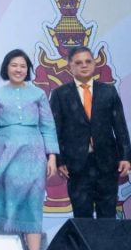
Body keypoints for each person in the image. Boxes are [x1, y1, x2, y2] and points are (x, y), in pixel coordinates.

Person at [0, 49, 59, 250]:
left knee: (32, 205)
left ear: (28, 70)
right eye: (14, 65)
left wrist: (52, 157)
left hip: (34, 155)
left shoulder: (38, 94)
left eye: (23, 66)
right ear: (6, 68)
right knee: (9, 204)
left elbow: (48, 127)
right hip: (5, 156)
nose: (18, 69)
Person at [50, 46, 131, 218]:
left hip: (107, 163)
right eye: (78, 63)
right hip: (76, 165)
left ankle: (106, 238)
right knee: (82, 217)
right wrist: (59, 160)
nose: (84, 65)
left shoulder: (108, 91)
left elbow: (120, 127)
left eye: (88, 61)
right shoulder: (59, 94)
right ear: (70, 66)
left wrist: (125, 157)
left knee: (107, 217)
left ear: (94, 64)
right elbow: (54, 130)